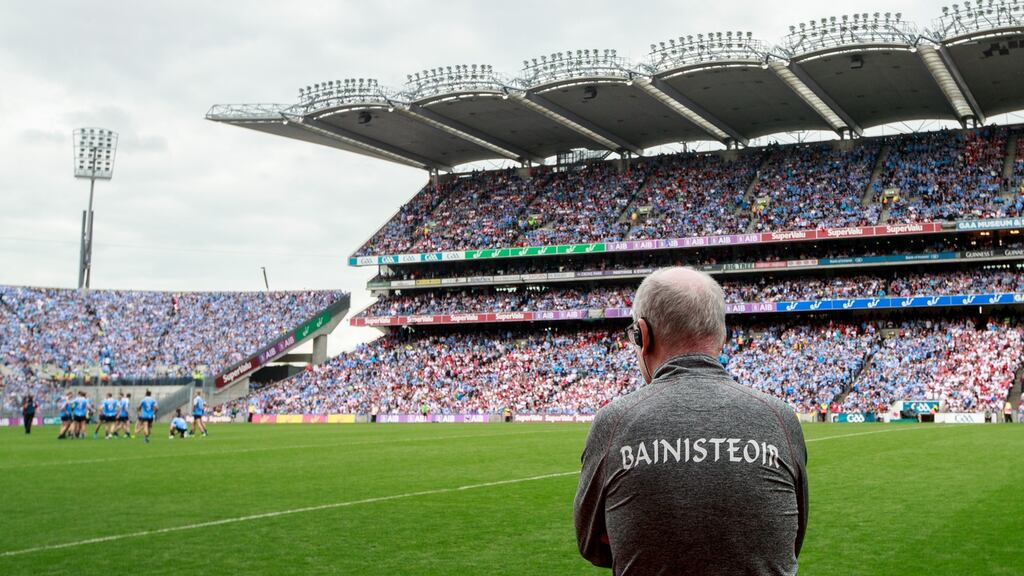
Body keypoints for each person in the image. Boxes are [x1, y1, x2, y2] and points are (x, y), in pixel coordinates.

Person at [574, 267, 809, 575]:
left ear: (642, 335)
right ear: (722, 336)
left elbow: (592, 545)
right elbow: (790, 540)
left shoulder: (615, 421)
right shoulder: (780, 417)